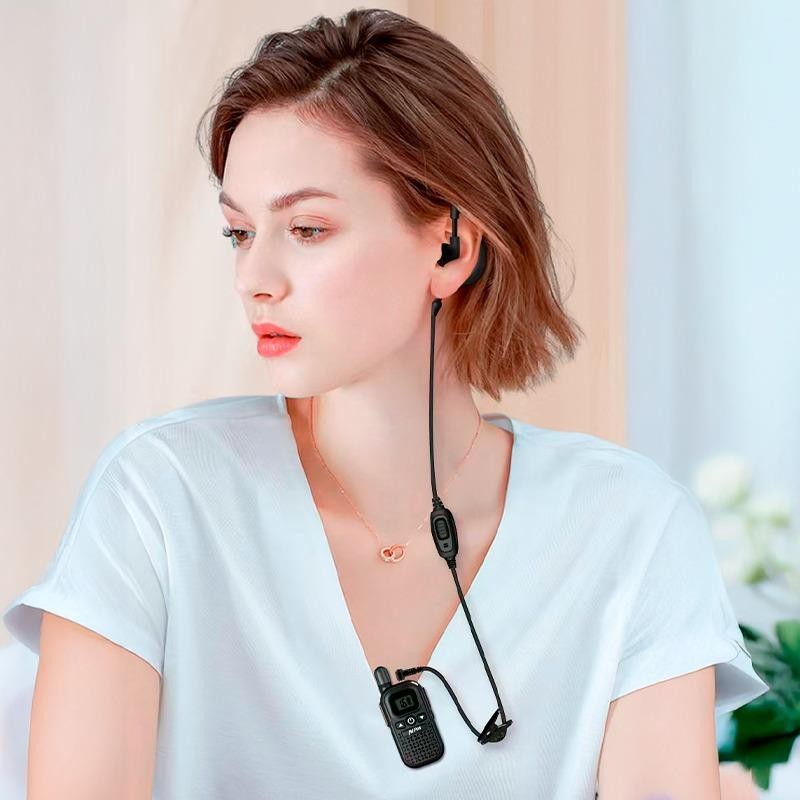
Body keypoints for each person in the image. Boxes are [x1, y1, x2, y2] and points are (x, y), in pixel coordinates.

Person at [2, 8, 769, 799]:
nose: (253, 278)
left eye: (307, 228)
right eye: (239, 233)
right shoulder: (160, 497)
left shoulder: (630, 529)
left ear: (450, 246)